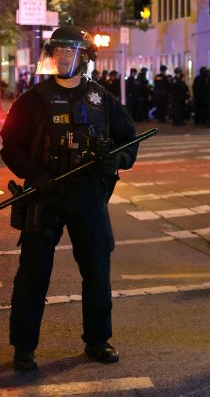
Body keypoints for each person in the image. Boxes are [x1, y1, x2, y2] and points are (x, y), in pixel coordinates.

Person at [1, 26, 139, 371]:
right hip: (44, 196)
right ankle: (24, 347)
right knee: (33, 273)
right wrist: (37, 177)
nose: (63, 58)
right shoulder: (33, 99)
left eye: (70, 52)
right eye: (58, 52)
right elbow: (10, 147)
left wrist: (116, 159)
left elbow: (129, 143)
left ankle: (97, 341)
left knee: (96, 270)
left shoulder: (102, 100)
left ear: (85, 58)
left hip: (88, 195)